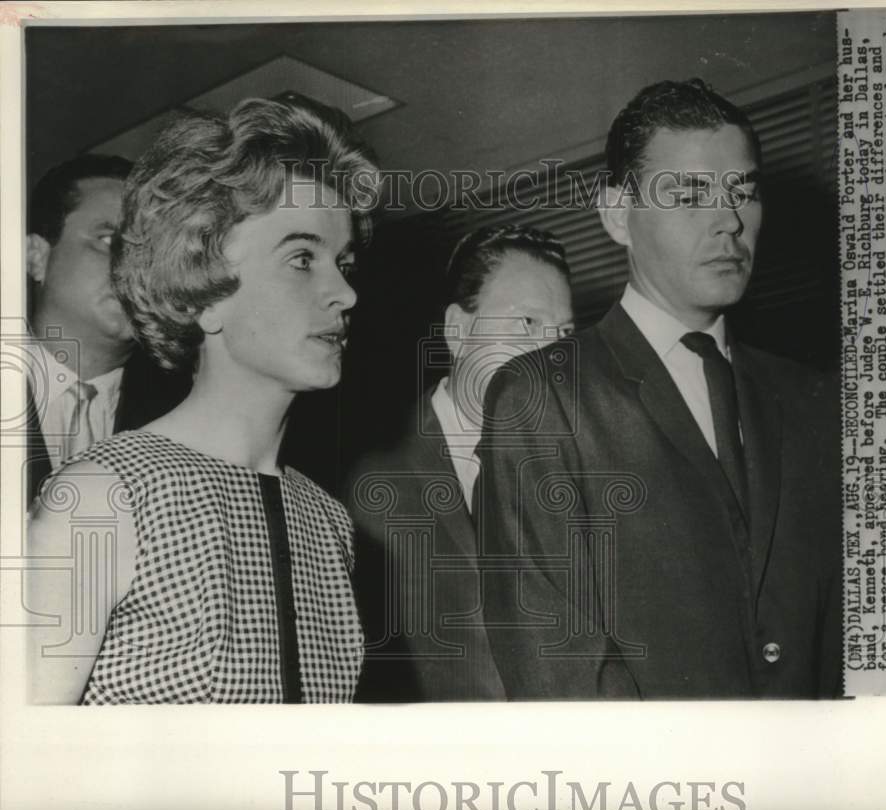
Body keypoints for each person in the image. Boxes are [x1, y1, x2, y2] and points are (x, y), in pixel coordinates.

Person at [477, 79, 842, 698]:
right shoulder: (543, 397)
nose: (729, 220)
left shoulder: (813, 400)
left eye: (742, 190)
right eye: (691, 193)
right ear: (618, 214)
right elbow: (558, 671)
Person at [26, 97, 379, 704]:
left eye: (343, 263)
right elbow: (27, 770)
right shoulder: (102, 498)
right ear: (202, 293)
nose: (344, 292)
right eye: (302, 259)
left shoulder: (330, 523)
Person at [347, 225, 575, 701]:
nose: (552, 356)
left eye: (565, 335)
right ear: (458, 330)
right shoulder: (364, 477)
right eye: (527, 324)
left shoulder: (577, 476)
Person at [24, 155, 191, 506]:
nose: (135, 270)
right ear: (37, 257)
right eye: (109, 241)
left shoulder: (188, 425)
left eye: (150, 253)